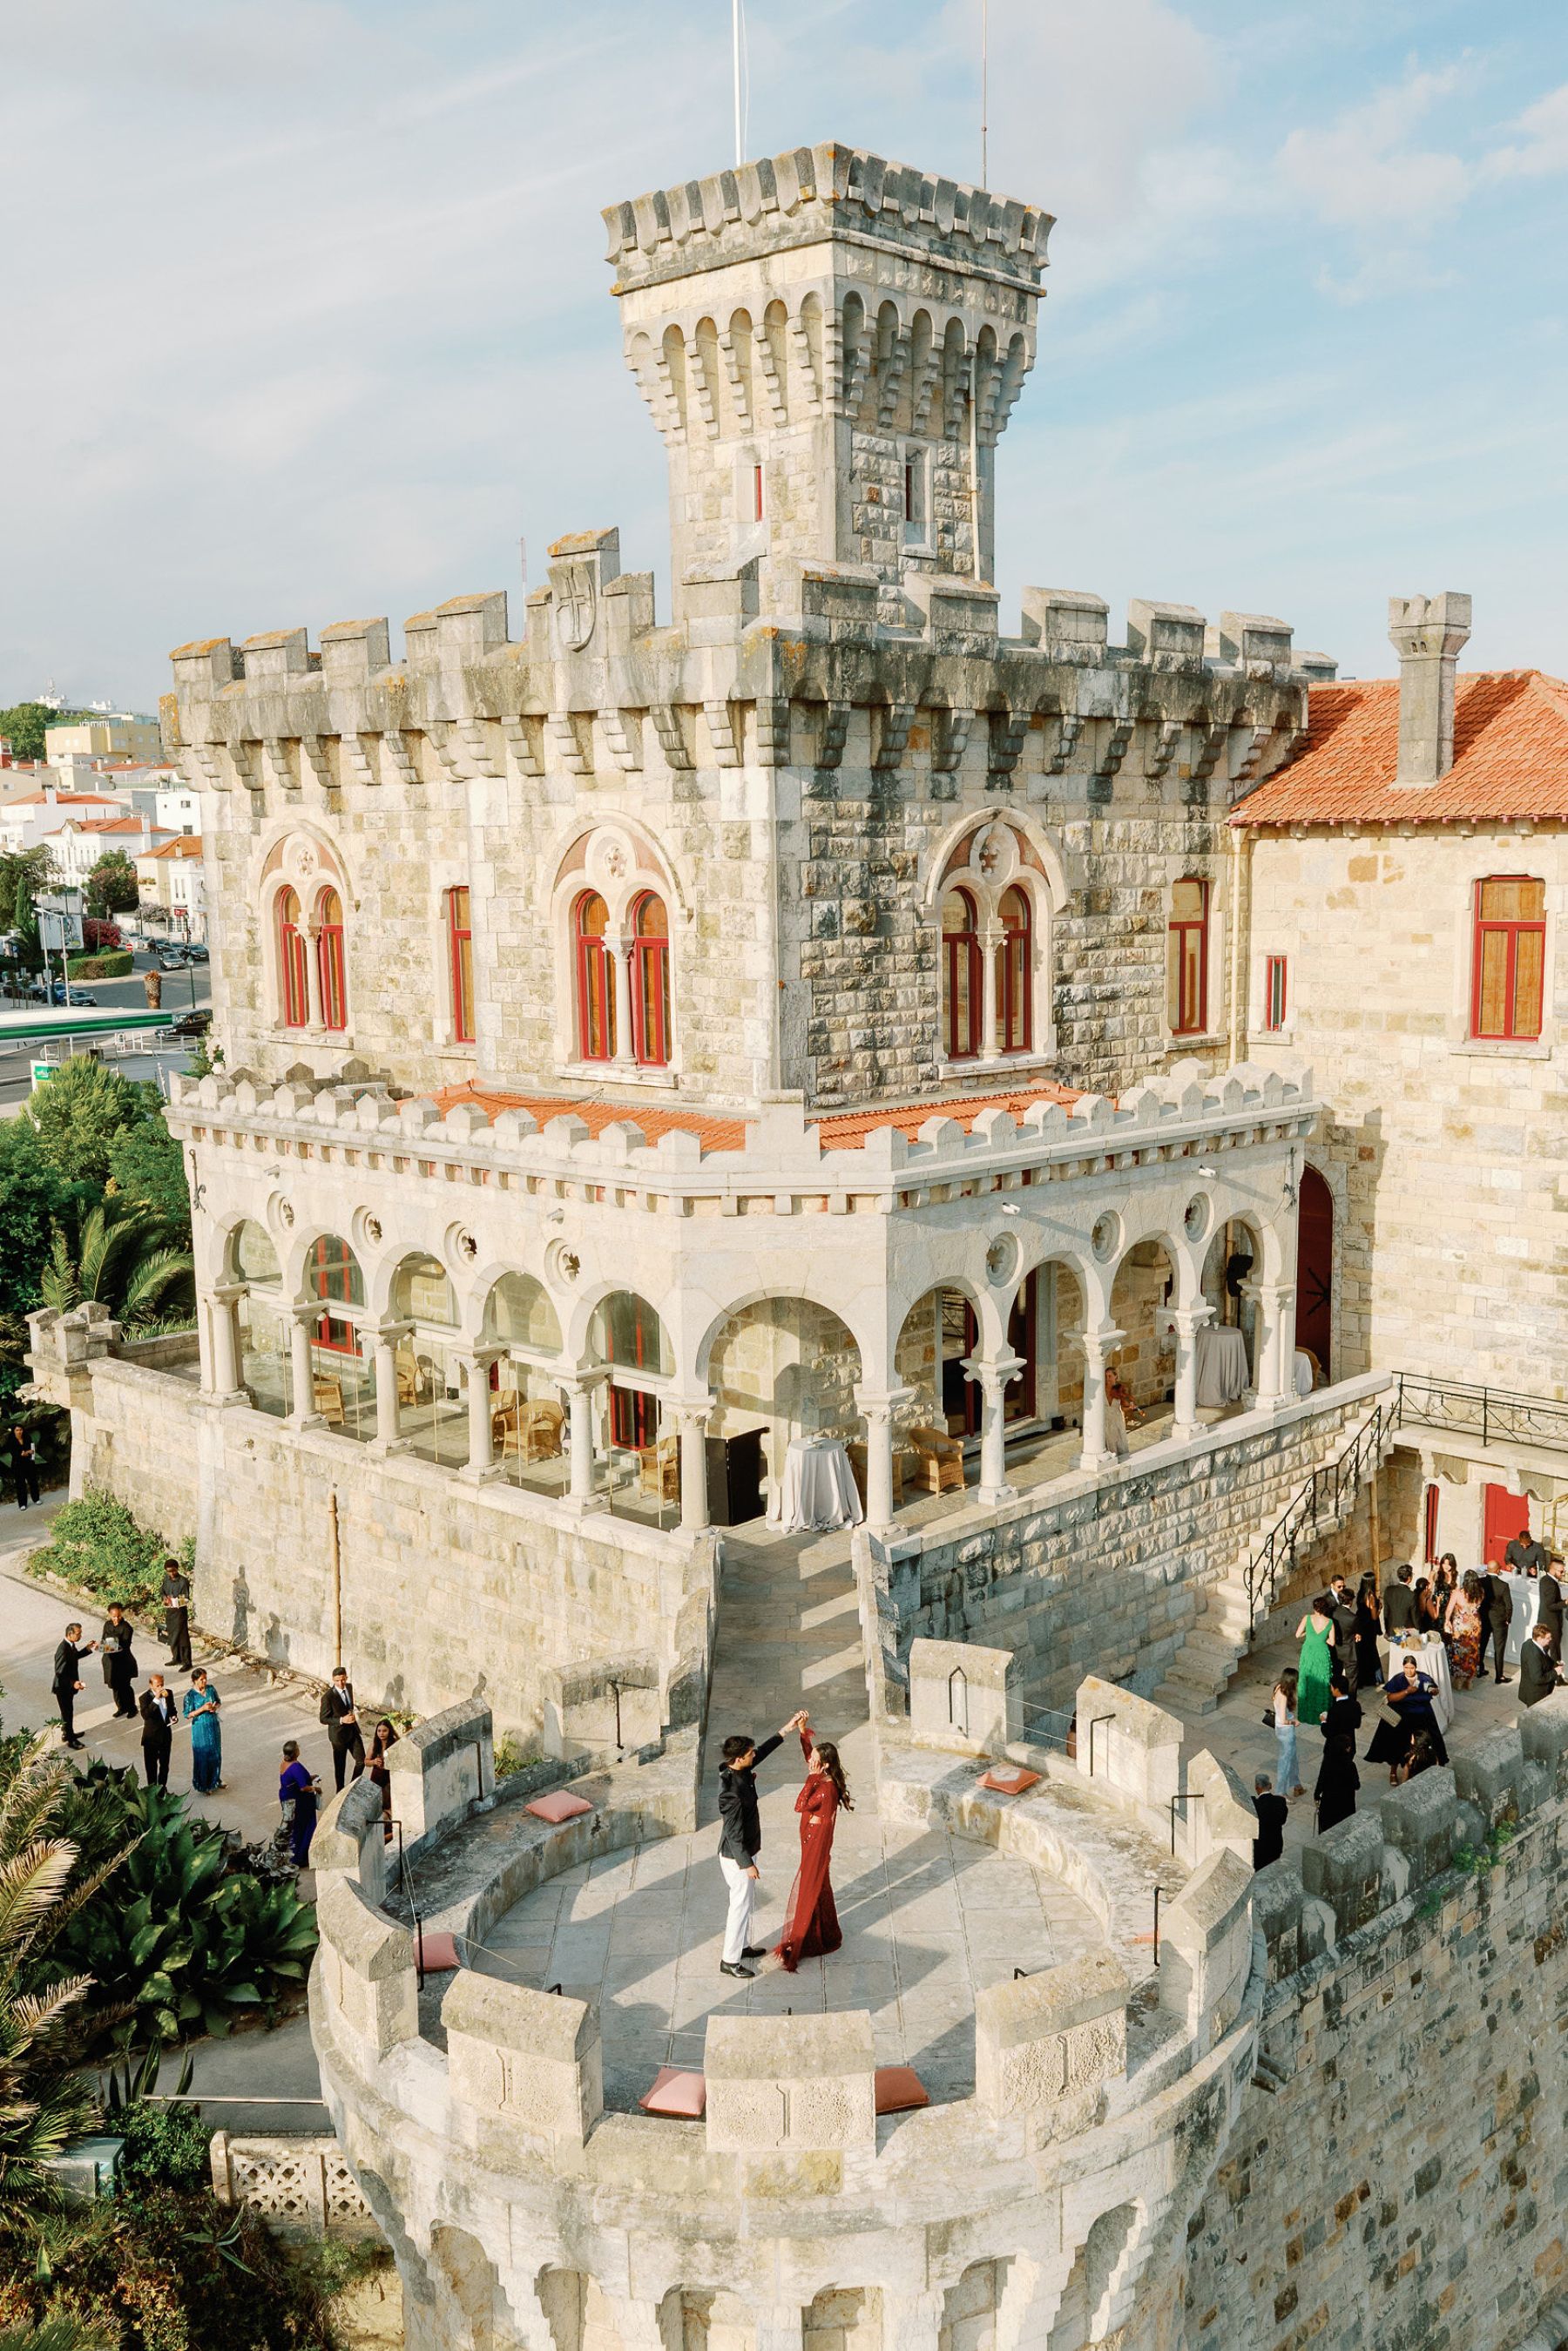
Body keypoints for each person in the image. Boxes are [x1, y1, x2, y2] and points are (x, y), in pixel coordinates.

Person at [716, 1708, 808, 1979]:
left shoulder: (739, 1769)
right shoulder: (731, 1793)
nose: (753, 1756)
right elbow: (733, 1833)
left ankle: (742, 1946)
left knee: (745, 1902)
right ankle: (730, 1960)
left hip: (747, 1850)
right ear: (738, 1759)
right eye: (749, 1755)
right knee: (739, 1906)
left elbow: (763, 1752)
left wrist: (787, 1729)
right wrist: (747, 1865)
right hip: (737, 1857)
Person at [774, 1720, 853, 1973]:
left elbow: (799, 1805)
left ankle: (807, 1936)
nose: (810, 1762)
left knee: (810, 1885)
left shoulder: (826, 1788)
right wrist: (802, 1732)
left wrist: (810, 1778)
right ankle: (824, 1931)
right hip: (811, 1838)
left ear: (825, 1765)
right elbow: (810, 1756)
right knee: (819, 1884)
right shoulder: (823, 1774)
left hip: (815, 1844)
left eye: (816, 1761)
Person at [1367, 1652, 1450, 1781]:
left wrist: (1434, 1691)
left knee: (1432, 1740)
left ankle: (1437, 1765)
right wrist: (1406, 1692)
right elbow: (1391, 1697)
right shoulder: (1398, 1679)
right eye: (1406, 1668)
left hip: (1422, 1716)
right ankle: (1393, 1772)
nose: (1409, 1670)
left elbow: (1434, 1690)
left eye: (1411, 1668)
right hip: (1402, 1716)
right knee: (1396, 1744)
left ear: (1415, 1667)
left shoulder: (1424, 1678)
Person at [320, 1667, 367, 1791]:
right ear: (333, 1680)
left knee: (361, 1760)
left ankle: (351, 1788)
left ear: (346, 1677)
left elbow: (349, 1707)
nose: (341, 1683)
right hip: (338, 1736)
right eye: (337, 1681)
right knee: (340, 1768)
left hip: (352, 1731)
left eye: (343, 1680)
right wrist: (341, 1720)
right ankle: (340, 1792)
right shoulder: (328, 1697)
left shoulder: (349, 1687)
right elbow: (323, 1718)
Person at [51, 1622, 95, 1748]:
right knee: (67, 1713)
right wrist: (73, 1683)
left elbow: (74, 1657)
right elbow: (59, 1672)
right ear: (70, 1634)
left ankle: (66, 1733)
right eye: (78, 1633)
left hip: (67, 1686)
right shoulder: (63, 1649)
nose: (80, 1636)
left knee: (67, 1711)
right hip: (62, 1687)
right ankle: (71, 1740)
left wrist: (87, 1649)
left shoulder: (70, 1645)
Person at [1294, 1598, 1335, 1731]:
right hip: (1322, 1654)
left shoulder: (1307, 1618)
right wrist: (1322, 1638)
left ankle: (1305, 1715)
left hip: (1309, 1652)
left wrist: (1309, 1633)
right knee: (1322, 1682)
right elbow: (1332, 1642)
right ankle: (1321, 1716)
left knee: (1306, 1680)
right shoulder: (1330, 1622)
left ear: (1314, 1607)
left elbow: (1297, 1635)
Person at [279, 1739, 320, 1867]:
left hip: (289, 1798)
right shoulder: (295, 1767)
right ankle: (300, 1856)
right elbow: (303, 1787)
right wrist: (315, 1788)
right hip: (300, 1801)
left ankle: (295, 1854)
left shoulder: (285, 1763)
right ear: (295, 1752)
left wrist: (310, 1777)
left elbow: (294, 1780)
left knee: (294, 1826)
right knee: (304, 1827)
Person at [183, 1667, 223, 1794]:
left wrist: (214, 1707)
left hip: (213, 1724)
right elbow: (187, 1714)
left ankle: (216, 1780)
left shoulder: (211, 1689)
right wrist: (202, 1709)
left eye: (205, 1679)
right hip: (200, 1728)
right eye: (201, 1679)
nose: (204, 1681)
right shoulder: (190, 1696)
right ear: (195, 1680)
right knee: (203, 1755)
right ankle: (204, 1784)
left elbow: (218, 1702)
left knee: (216, 1753)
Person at [1314, 1729, 1359, 1834]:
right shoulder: (1350, 1765)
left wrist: (1317, 1794)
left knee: (1327, 1828)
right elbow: (1356, 1785)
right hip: (1345, 1803)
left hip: (1329, 1801)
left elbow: (1321, 1779)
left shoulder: (1327, 1762)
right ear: (1347, 1749)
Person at [139, 1675, 179, 1789]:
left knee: (164, 1765)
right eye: (157, 1686)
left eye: (162, 1685)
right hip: (151, 1738)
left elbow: (172, 1709)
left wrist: (174, 1717)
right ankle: (152, 1789)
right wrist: (156, 1699)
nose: (160, 1687)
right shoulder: (144, 1698)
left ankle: (162, 1788)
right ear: (151, 1685)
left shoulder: (169, 1693)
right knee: (151, 1767)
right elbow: (146, 1715)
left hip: (165, 1736)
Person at [99, 1604, 139, 1719]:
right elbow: (103, 1640)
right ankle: (121, 1707)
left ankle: (132, 1708)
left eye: (118, 1616)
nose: (116, 1619)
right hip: (110, 1661)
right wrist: (103, 1646)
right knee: (115, 1686)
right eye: (114, 1617)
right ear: (110, 1615)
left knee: (125, 1686)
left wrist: (109, 1645)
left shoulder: (126, 1628)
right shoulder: (107, 1625)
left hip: (123, 1661)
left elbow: (125, 1645)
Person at [1447, 1571, 1484, 1689]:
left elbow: (1449, 1609)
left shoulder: (1457, 1593)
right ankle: (1469, 1680)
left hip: (1461, 1627)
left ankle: (1459, 1680)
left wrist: (1447, 1621)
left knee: (1459, 1652)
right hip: (1475, 1626)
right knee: (1472, 1652)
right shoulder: (1481, 1593)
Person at [1272, 1669, 1304, 1800]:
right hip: (1286, 1731)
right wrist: (1294, 1722)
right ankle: (1281, 1792)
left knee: (1292, 1758)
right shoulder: (1284, 1696)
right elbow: (1284, 1719)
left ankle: (1297, 1785)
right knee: (1285, 1762)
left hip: (1280, 1729)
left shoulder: (1278, 1687)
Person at [1480, 1569, 1514, 1686]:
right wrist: (1508, 1619)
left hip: (1484, 1617)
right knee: (1499, 1648)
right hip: (1499, 1619)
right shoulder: (1503, 1585)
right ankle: (1499, 1675)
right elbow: (1509, 1606)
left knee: (1482, 1644)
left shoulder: (1480, 1582)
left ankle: (1479, 1669)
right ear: (1498, 1570)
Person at [159, 1556, 193, 1672]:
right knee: (172, 1635)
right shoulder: (166, 1579)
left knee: (182, 1637)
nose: (171, 1574)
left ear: (177, 1569)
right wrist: (165, 1598)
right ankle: (176, 1658)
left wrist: (176, 1601)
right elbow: (162, 1592)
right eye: (169, 1572)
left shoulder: (183, 1581)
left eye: (173, 1571)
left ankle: (187, 1662)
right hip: (170, 1611)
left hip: (180, 1612)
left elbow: (186, 1598)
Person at [1326, 1577, 1359, 1692]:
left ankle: (1335, 1696)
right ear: (1350, 1601)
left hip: (1336, 1650)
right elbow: (1356, 1631)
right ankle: (1350, 1699)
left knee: (1335, 1675)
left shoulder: (1332, 1613)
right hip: (1349, 1651)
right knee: (1351, 1679)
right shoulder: (1353, 1618)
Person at [368, 1719, 399, 1842]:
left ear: (389, 1731)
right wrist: (374, 1762)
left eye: (384, 1731)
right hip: (376, 1777)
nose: (381, 1733)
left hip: (389, 1778)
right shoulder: (375, 1744)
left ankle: (389, 1831)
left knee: (388, 1804)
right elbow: (366, 1761)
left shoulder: (395, 1743)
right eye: (379, 1731)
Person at [1519, 1622, 1563, 1707]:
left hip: (1530, 1690)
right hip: (1537, 1696)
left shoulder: (1528, 1643)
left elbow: (1543, 1658)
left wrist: (1555, 1664)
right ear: (1539, 1638)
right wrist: (1555, 1672)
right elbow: (1537, 1679)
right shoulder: (1535, 1655)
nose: (1550, 1639)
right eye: (1548, 1638)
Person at [1253, 1772, 1288, 1869]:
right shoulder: (1281, 1801)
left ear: (1257, 1788)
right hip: (1276, 1844)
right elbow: (1283, 1820)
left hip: (1260, 1848)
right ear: (1270, 1786)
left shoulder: (1254, 1804)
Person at [1354, 1575, 1383, 1691]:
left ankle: (1362, 1679)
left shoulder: (1360, 1594)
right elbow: (1374, 1617)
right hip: (1369, 1627)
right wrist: (1379, 1608)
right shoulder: (1371, 1597)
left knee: (1363, 1652)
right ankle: (1374, 1678)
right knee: (1371, 1651)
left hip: (1361, 1625)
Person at [1537, 1557, 1565, 1664]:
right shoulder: (1551, 1585)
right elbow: (1551, 1605)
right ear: (1553, 1570)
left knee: (1543, 1650)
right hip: (1552, 1624)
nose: (1563, 1574)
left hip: (1544, 1620)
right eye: (1561, 1571)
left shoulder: (1544, 1579)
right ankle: (1557, 1673)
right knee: (1555, 1653)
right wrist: (1565, 1603)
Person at [1383, 1566, 1419, 1638]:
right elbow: (1414, 1617)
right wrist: (1419, 1630)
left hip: (1391, 1631)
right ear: (1409, 1578)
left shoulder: (1388, 1590)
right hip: (1405, 1633)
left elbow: (1386, 1613)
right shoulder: (1411, 1595)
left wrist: (1387, 1631)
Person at [1104, 1367, 1131, 1460]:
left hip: (1116, 1418)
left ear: (1116, 1376)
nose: (1107, 1378)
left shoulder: (1120, 1390)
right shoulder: (1101, 1389)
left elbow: (1123, 1407)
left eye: (1110, 1376)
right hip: (1104, 1418)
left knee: (1118, 1441)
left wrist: (1130, 1407)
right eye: (1106, 1376)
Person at [11, 1424, 40, 1510]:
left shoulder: (27, 1438)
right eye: (17, 1430)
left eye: (20, 1430)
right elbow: (16, 1454)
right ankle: (22, 1504)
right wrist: (26, 1453)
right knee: (20, 1484)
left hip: (29, 1463)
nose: (19, 1432)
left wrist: (26, 1453)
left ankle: (36, 1499)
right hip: (17, 1465)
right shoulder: (11, 1441)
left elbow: (32, 1450)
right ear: (14, 1431)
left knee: (33, 1481)